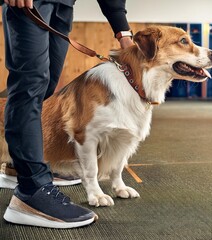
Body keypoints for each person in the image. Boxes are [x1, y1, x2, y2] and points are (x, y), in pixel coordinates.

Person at [1, 0, 134, 228]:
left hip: (63, 5)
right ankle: (31, 191)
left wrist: (122, 28)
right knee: (30, 86)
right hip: (32, 3)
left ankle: (19, 165)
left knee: (46, 88)